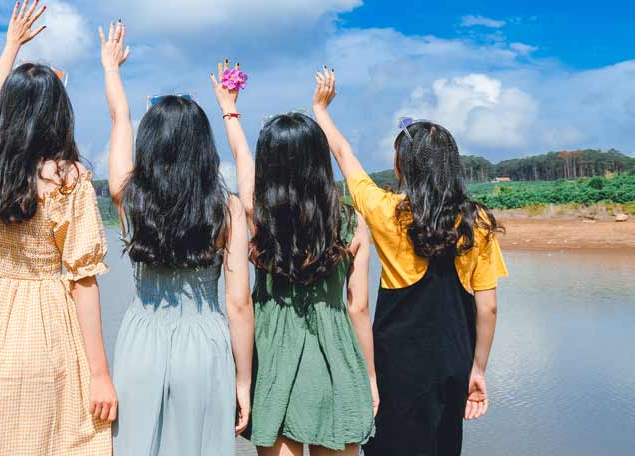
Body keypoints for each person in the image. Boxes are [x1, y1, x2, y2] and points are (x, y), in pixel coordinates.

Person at [311, 68, 506, 456]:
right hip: (454, 356)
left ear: (403, 167)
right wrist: (478, 369)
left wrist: (321, 109)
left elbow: (345, 156)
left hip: (396, 362)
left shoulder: (387, 211)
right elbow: (489, 306)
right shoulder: (478, 221)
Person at [0, 0, 116, 455]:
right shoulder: (69, 181)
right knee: (53, 437)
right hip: (47, 319)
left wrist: (10, 47)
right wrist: (100, 373)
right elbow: (84, 280)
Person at [210, 61, 377, 455]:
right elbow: (359, 310)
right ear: (319, 161)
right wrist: (369, 376)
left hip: (272, 358)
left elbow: (241, 157)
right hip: (336, 356)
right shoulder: (351, 224)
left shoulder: (257, 217)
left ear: (269, 164)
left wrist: (230, 110)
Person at [103, 23, 255, 455]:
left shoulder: (128, 198)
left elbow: (120, 118)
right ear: (202, 146)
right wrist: (243, 380)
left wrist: (111, 68)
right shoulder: (226, 209)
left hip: (141, 337)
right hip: (204, 341)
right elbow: (239, 303)